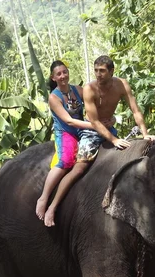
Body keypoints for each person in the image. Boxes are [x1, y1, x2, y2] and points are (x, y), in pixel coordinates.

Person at [38, 55, 155, 227]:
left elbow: (135, 109)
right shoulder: (88, 89)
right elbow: (93, 121)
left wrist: (145, 133)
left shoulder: (121, 84)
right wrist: (114, 139)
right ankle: (52, 205)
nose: (98, 74)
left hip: (108, 128)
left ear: (111, 71)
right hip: (91, 131)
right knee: (79, 168)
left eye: (102, 71)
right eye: (96, 71)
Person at [35, 60, 114, 226]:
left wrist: (110, 119)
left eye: (65, 72)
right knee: (66, 161)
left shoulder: (78, 90)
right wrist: (96, 125)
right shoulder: (54, 97)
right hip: (66, 132)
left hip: (83, 129)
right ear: (53, 77)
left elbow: (94, 108)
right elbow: (69, 121)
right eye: (59, 74)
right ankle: (44, 198)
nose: (63, 76)